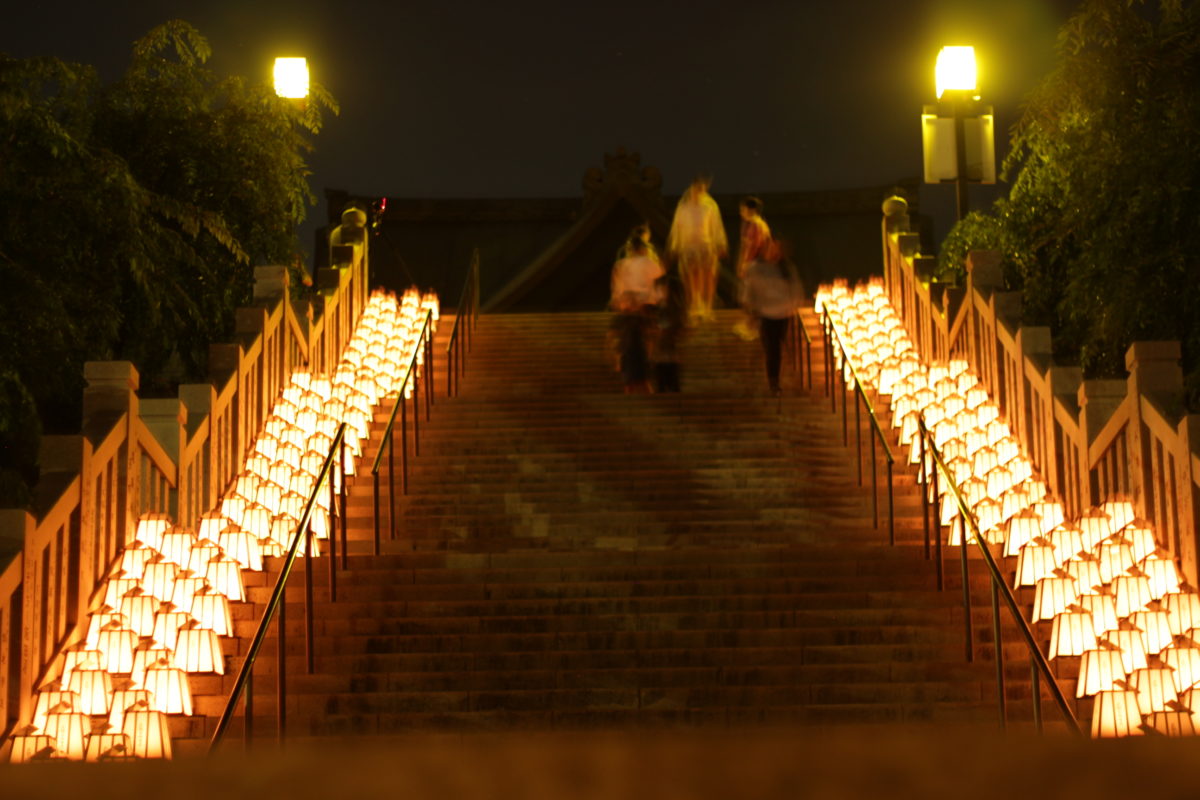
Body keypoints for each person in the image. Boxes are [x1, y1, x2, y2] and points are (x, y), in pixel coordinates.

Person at [740, 238, 804, 396]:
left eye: (776, 249)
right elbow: (749, 290)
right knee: (772, 348)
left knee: (777, 347)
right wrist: (750, 309)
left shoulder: (786, 268)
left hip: (783, 313)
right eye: (770, 249)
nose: (773, 252)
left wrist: (794, 304)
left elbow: (796, 288)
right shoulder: (755, 268)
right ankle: (773, 382)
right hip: (765, 313)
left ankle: (776, 379)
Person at [667, 175, 728, 323]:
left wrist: (720, 243)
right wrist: (675, 245)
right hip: (688, 246)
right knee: (690, 279)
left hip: (705, 245)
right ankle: (693, 308)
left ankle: (707, 309)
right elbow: (677, 228)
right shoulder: (683, 208)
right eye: (697, 188)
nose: (698, 191)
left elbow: (716, 226)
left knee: (707, 278)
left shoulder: (710, 206)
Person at [610, 236, 666, 393]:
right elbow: (660, 286)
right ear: (643, 249)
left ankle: (628, 381)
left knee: (628, 345)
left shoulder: (621, 265)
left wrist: (622, 303)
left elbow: (617, 290)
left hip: (628, 309)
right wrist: (659, 301)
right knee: (645, 344)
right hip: (646, 308)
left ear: (630, 249)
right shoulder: (650, 263)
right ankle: (646, 373)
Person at [734, 196, 772, 341]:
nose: (741, 212)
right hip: (758, 266)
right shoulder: (758, 224)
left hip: (754, 266)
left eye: (743, 209)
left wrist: (745, 264)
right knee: (751, 298)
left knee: (749, 299)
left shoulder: (755, 225)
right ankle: (751, 325)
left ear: (751, 210)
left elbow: (753, 247)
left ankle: (752, 327)